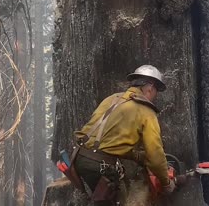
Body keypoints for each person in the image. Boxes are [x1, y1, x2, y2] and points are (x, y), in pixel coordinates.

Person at [73, 65, 176, 205]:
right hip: (100, 166)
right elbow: (155, 155)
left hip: (79, 158)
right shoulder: (146, 111)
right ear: (150, 87)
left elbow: (107, 140)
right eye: (156, 91)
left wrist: (137, 156)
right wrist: (166, 183)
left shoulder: (111, 99)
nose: (155, 96)